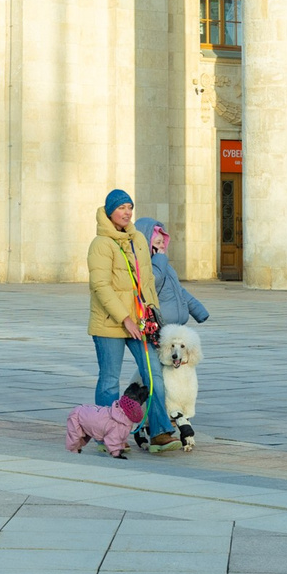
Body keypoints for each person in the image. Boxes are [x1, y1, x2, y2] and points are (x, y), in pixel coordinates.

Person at [87, 189, 176, 451]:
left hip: (140, 322)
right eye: (121, 207)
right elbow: (101, 286)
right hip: (110, 322)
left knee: (154, 374)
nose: (126, 212)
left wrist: (152, 314)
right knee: (109, 380)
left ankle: (159, 432)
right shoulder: (100, 244)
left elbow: (146, 282)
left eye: (129, 207)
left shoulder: (138, 239)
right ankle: (107, 435)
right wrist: (124, 317)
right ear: (109, 211)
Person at [146, 223, 207, 329]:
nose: (162, 245)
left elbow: (179, 290)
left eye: (163, 242)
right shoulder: (149, 264)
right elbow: (154, 280)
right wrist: (159, 259)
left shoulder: (164, 264)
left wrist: (198, 310)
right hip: (157, 324)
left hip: (174, 325)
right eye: (158, 242)